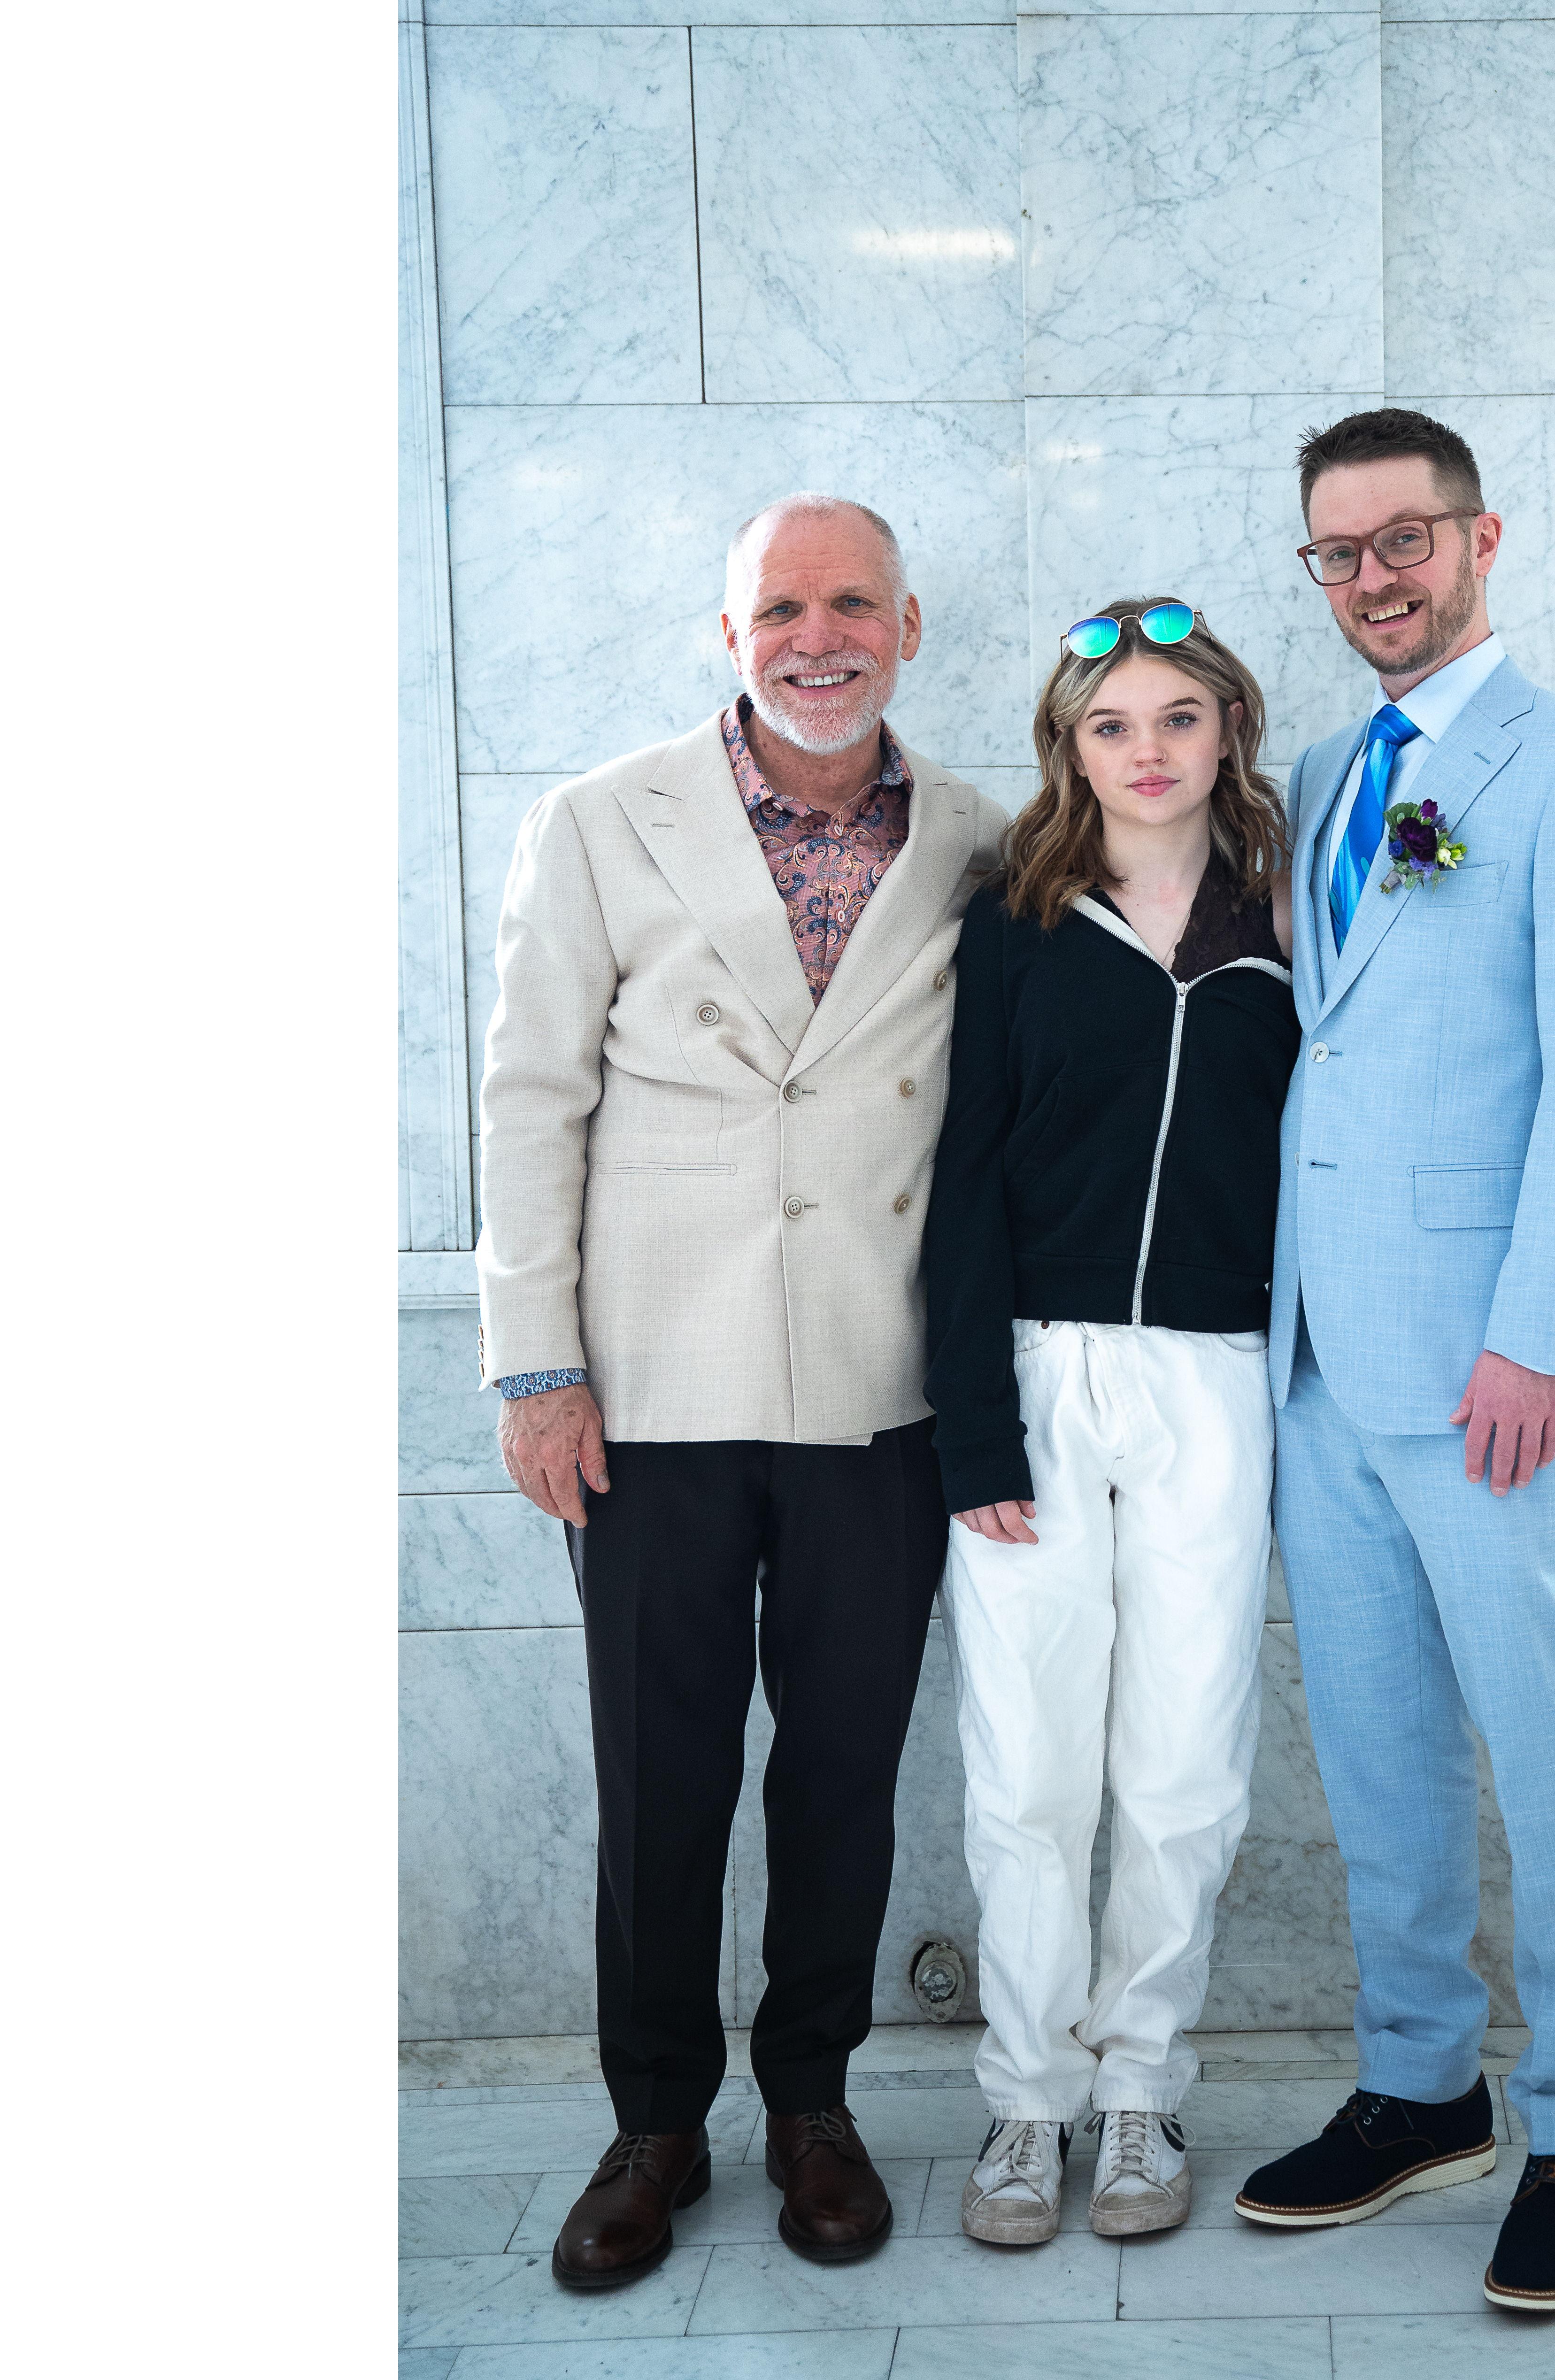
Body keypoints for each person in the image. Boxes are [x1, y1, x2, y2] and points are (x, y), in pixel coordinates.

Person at [476, 494, 1007, 2287]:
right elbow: (531, 1102)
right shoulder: (597, 822)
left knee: (844, 1773)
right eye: (782, 607)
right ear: (733, 635)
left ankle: (813, 2105)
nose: (818, 635)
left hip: (879, 1390)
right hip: (648, 1388)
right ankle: (652, 2125)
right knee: (662, 1776)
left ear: (911, 625)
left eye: (853, 601)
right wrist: (537, 1366)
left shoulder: (987, 843)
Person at [1231, 410, 1555, 2316]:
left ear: (1478, 536)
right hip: (1323, 1359)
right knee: (1377, 1743)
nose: (1370, 580)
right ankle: (1423, 2084)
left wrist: (1535, 1337)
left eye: (1400, 540)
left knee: (1543, 1744)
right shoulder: (1324, 769)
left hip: (1501, 1370)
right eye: (1335, 554)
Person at [923, 599, 1298, 2244]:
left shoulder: (1294, 909)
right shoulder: (1013, 912)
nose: (1146, 752)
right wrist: (974, 1433)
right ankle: (1027, 2103)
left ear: (1228, 725)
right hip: (1037, 1369)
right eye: (1109, 725)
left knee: (1184, 1761)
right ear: (1070, 748)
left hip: (1218, 1374)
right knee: (1027, 1764)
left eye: (1176, 718)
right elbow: (961, 1177)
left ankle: (1141, 2088)